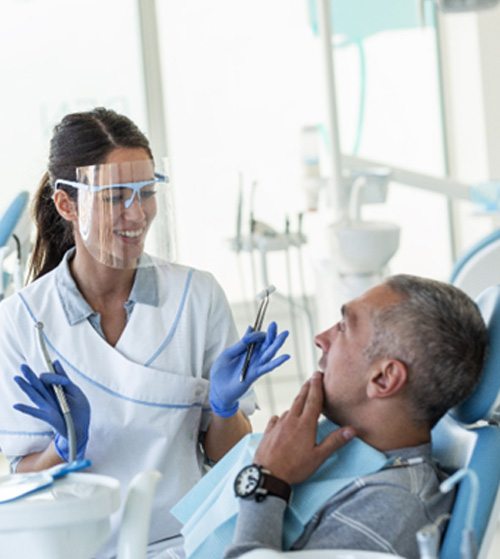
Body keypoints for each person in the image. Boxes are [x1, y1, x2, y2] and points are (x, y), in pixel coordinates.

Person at [0, 108, 289, 558]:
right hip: (81, 548)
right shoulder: (19, 322)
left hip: (188, 544)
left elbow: (225, 455)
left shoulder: (197, 297)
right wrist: (63, 447)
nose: (136, 215)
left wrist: (224, 406)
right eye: (116, 196)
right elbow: (24, 482)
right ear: (66, 204)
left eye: (147, 193)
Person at [223, 275, 488, 559]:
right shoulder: (348, 455)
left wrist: (267, 483)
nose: (320, 339)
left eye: (343, 327)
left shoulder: (390, 509)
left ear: (384, 379)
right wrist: (220, 411)